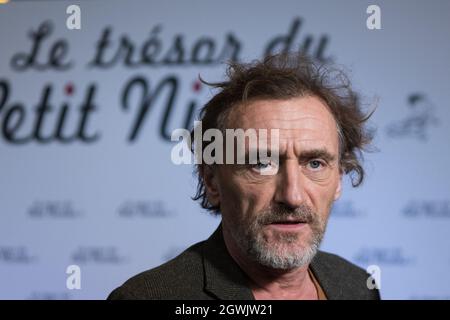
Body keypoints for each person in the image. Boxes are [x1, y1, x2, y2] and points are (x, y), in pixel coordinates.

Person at [108, 52, 380, 300]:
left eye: (315, 164)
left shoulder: (358, 286)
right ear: (212, 180)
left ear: (339, 180)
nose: (292, 196)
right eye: (261, 164)